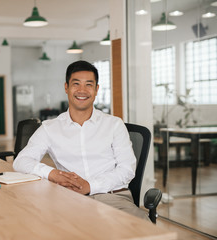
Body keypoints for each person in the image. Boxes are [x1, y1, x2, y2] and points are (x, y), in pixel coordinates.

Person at [13, 60, 149, 221]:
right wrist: (53, 174)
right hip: (69, 200)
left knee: (145, 233)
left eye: (89, 85)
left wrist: (89, 186)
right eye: (76, 84)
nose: (82, 90)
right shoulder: (50, 128)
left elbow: (127, 170)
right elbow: (21, 161)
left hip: (112, 198)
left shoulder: (114, 124)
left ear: (96, 89)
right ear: (66, 87)